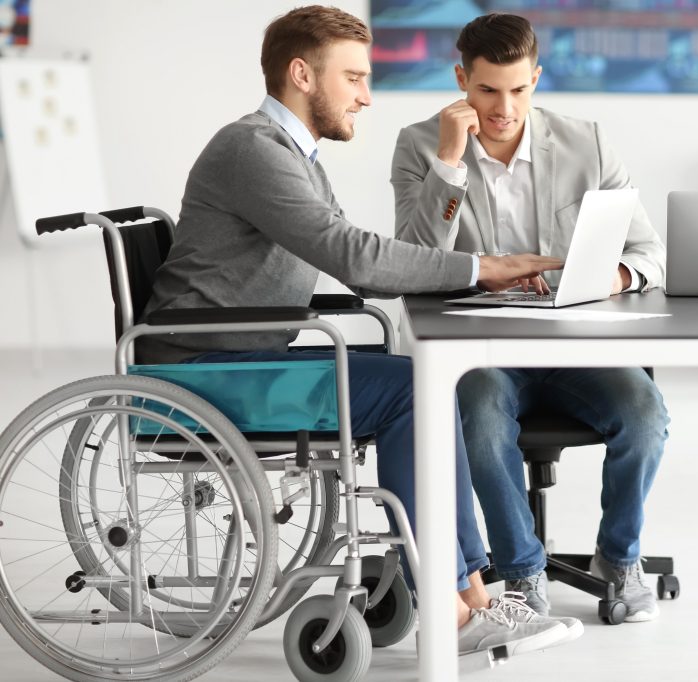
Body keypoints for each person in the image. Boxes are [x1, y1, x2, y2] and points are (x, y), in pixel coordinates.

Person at [137, 5, 577, 656]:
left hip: (237, 361)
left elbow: (365, 269)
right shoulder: (254, 148)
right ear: (301, 75)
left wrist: (482, 272)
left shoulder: (291, 153)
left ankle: (475, 596)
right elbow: (357, 257)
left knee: (420, 381)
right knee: (412, 389)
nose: (368, 96)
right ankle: (452, 608)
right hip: (206, 375)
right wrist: (485, 268)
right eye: (354, 78)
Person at [391, 13, 670, 623]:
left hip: (575, 345)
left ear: (537, 79)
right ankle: (521, 574)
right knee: (485, 422)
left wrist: (607, 278)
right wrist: (448, 161)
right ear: (462, 79)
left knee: (646, 415)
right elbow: (412, 261)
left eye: (518, 90)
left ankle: (619, 557)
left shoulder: (586, 142)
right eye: (487, 89)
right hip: (483, 347)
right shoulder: (421, 145)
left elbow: (649, 253)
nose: (503, 108)